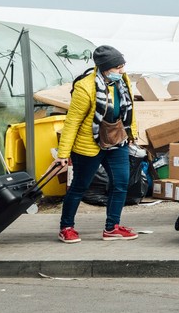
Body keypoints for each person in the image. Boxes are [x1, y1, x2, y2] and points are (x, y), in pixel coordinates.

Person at [53, 45, 140, 243]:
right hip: (89, 144)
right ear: (105, 68)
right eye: (118, 67)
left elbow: (129, 109)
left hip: (116, 140)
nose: (122, 70)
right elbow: (72, 121)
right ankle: (66, 227)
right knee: (80, 186)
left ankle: (112, 227)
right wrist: (63, 154)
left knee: (121, 183)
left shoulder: (122, 81)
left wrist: (132, 133)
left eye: (123, 65)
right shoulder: (85, 87)